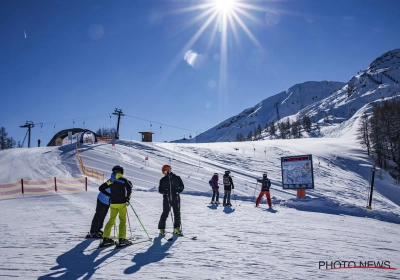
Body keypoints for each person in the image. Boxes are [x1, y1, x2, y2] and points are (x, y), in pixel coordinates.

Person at [99, 165, 133, 247]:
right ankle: (121, 239)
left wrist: (109, 195)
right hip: (122, 204)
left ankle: (105, 239)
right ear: (121, 172)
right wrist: (127, 198)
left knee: (111, 220)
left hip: (113, 203)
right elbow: (129, 188)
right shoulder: (123, 180)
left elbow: (101, 188)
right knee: (122, 221)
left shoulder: (111, 180)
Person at [158, 165, 184, 235]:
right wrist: (165, 192)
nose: (164, 173)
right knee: (165, 213)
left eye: (165, 171)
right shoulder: (163, 180)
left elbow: (182, 186)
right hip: (167, 199)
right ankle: (161, 229)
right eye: (163, 172)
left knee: (177, 213)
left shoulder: (177, 178)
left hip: (176, 198)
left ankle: (177, 228)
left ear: (169, 170)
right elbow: (160, 190)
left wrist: (178, 190)